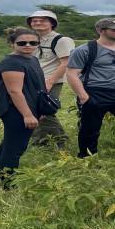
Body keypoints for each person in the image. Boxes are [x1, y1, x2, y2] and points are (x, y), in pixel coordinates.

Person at [66, 18, 115, 157]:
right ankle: (87, 158)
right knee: (89, 129)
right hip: (94, 92)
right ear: (100, 30)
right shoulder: (84, 50)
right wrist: (84, 97)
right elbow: (72, 74)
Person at [0, 28, 47, 182]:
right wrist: (27, 115)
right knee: (16, 148)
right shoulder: (11, 63)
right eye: (22, 43)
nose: (28, 45)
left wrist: (41, 108)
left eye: (33, 42)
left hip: (30, 107)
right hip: (17, 109)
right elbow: (15, 92)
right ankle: (7, 183)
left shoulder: (31, 59)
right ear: (12, 44)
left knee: (10, 143)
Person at [26, 10, 75, 148]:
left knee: (45, 111)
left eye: (43, 20)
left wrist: (50, 81)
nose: (38, 22)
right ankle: (41, 140)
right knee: (33, 111)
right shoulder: (32, 38)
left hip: (49, 80)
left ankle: (60, 142)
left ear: (52, 23)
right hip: (33, 80)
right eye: (34, 20)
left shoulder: (61, 40)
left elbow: (66, 63)